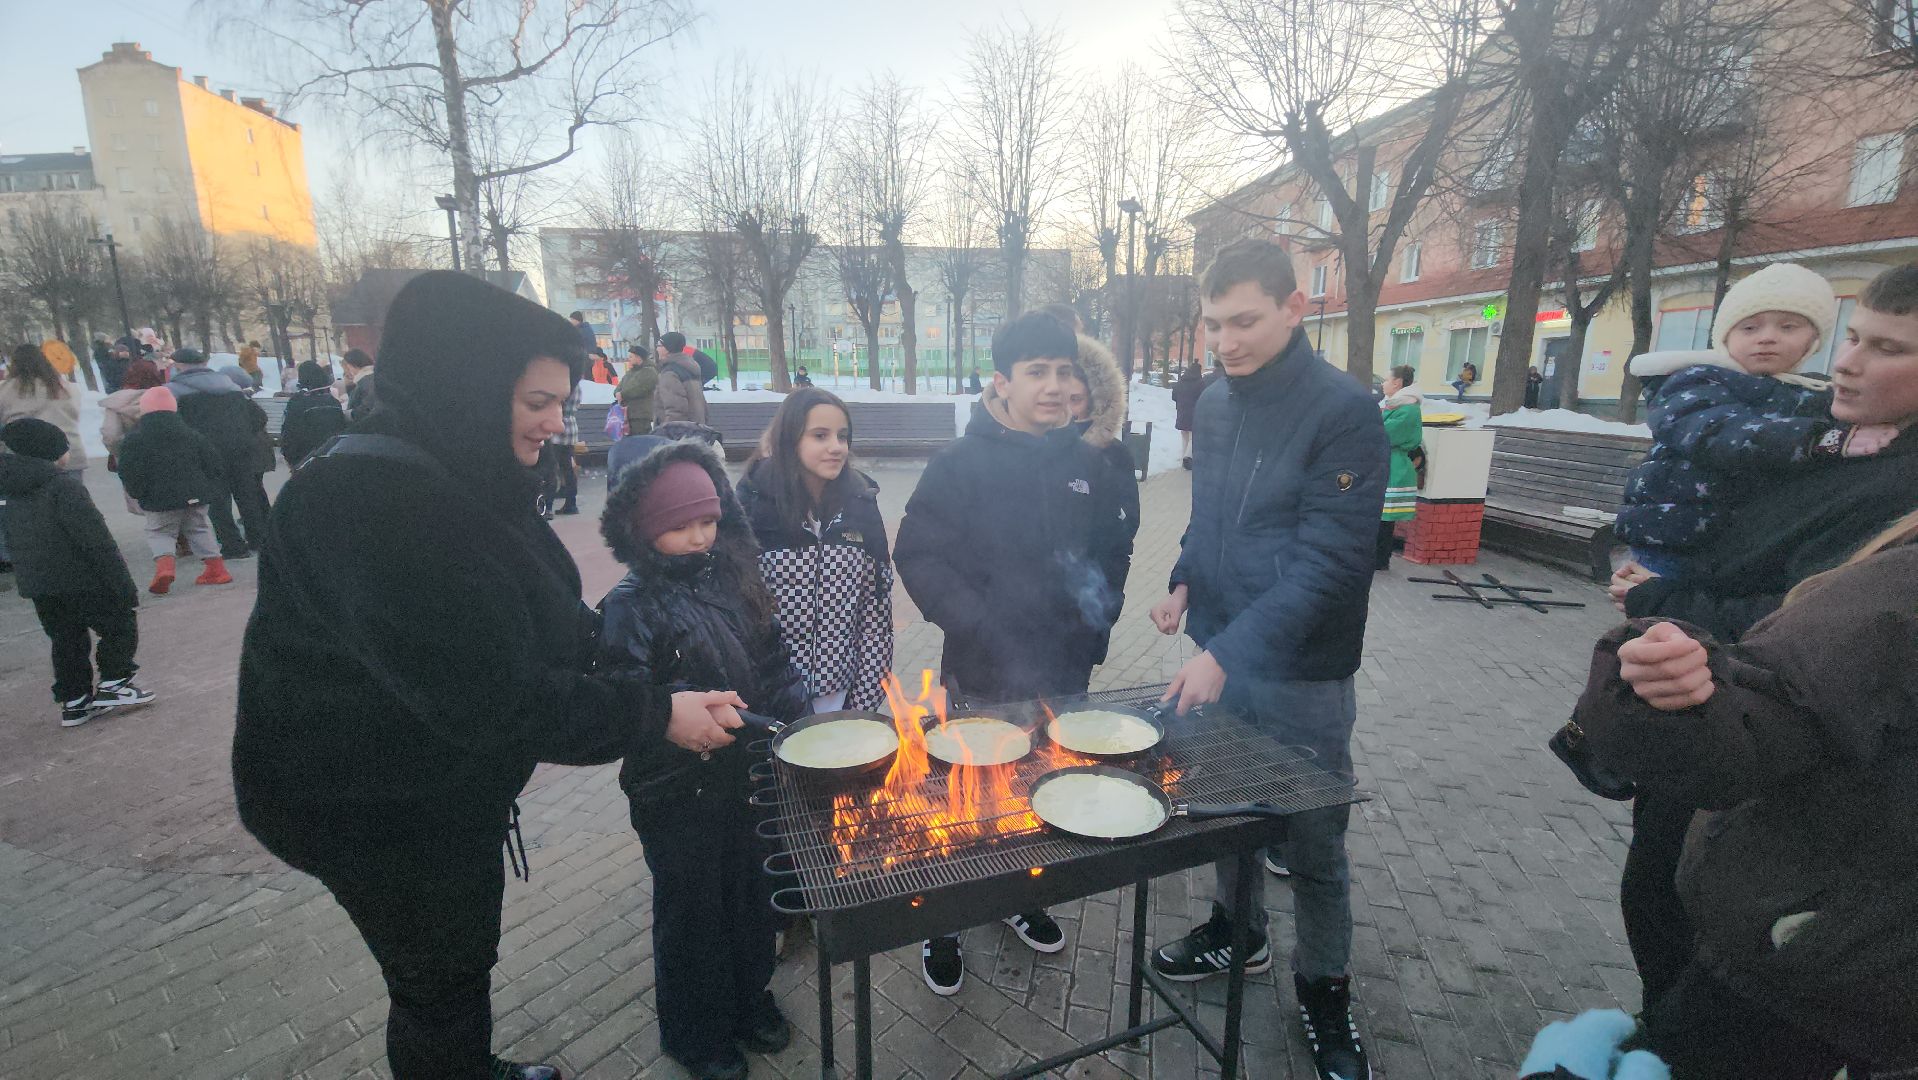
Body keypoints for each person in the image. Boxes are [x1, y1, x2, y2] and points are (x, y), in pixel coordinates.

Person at [232, 270, 746, 1080]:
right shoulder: (376, 504)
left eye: (562, 398)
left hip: (433, 781)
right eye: (537, 400)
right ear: (466, 383)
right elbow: (495, 698)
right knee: (438, 978)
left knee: (457, 964)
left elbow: (534, 608)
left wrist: (642, 664)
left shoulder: (456, 469)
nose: (557, 421)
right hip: (367, 805)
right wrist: (656, 718)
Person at [1605, 261, 1918, 1012]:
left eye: (1889, 348)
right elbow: (1704, 516)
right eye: (1854, 338)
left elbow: (1797, 632)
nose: (1846, 361)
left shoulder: (1896, 491)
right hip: (1709, 733)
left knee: (1696, 945)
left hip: (1779, 791)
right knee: (1659, 904)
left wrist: (1655, 591)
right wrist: (1626, 556)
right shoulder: (1823, 438)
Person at [1146, 239, 1386, 1080]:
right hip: (1218, 646)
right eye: (1213, 324)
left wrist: (1228, 651)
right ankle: (1235, 933)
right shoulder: (1213, 401)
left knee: (1314, 844)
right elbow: (1208, 514)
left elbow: (1331, 562)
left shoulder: (1345, 411)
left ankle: (1325, 990)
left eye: (1243, 321)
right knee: (1224, 814)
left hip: (1303, 673)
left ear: (1294, 307)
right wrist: (1181, 579)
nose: (1227, 341)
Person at [1573, 509, 1918, 1079]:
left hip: (1826, 974)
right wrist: (1670, 678)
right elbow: (1761, 716)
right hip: (1812, 971)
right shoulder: (1891, 580)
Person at [894, 312, 1134, 996]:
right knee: (967, 801)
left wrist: (1101, 612)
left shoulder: (1082, 462)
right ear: (1002, 382)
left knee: (1036, 793)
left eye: (1064, 371)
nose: (1055, 386)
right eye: (1037, 372)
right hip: (986, 671)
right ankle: (943, 919)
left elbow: (1111, 550)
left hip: (1063, 673)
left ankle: (1017, 897)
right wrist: (978, 622)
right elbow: (918, 554)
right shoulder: (959, 464)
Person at [598, 440, 808, 1080]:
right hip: (677, 793)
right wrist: (678, 719)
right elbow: (625, 700)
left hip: (747, 779)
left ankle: (749, 1000)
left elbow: (772, 658)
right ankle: (696, 1035)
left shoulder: (736, 578)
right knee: (693, 918)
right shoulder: (630, 605)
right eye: (679, 526)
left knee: (751, 900)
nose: (698, 537)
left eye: (708, 521)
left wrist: (799, 709)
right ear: (644, 530)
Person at [1615, 264, 1894, 580]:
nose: (1767, 338)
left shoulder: (1817, 394)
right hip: (1673, 537)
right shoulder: (1696, 379)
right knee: (1658, 624)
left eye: (1788, 327)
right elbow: (1717, 432)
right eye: (1750, 328)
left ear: (1813, 340)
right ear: (1726, 335)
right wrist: (1820, 440)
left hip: (1742, 544)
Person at [736, 388, 894, 713]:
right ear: (790, 439)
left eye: (843, 436)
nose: (836, 447)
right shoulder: (752, 506)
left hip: (841, 698)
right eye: (820, 436)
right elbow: (736, 618)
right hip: (767, 705)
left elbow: (875, 613)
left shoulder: (861, 506)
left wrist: (861, 706)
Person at [0, 418, 153, 728]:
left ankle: (74, 700)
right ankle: (115, 680)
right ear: (53, 453)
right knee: (119, 623)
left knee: (65, 638)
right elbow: (94, 538)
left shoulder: (11, 491)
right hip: (83, 576)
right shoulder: (63, 486)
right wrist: (120, 581)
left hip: (40, 584)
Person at [1060, 335, 1142, 668]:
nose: (1066, 410)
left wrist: (1101, 611)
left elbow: (1119, 541)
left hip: (1081, 618)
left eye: (1075, 400)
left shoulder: (1111, 456)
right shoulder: (1026, 451)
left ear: (1093, 402)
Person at [116, 386, 232, 593]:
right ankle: (217, 569)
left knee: (160, 532)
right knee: (199, 528)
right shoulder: (191, 434)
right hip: (196, 493)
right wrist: (208, 485)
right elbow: (213, 462)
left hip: (158, 498)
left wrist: (137, 491)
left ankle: (165, 568)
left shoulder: (135, 439)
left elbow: (129, 470)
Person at [169, 347, 270, 557]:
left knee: (218, 501)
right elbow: (258, 417)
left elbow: (176, 427)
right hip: (240, 448)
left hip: (206, 452)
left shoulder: (174, 391)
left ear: (179, 365)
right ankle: (258, 539)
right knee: (247, 495)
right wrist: (244, 434)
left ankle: (233, 545)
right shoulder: (230, 387)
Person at [1, 343, 91, 474]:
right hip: (69, 454)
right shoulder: (66, 388)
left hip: (25, 459)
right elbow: (74, 415)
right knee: (71, 492)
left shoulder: (5, 390)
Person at [1378, 364, 1423, 571]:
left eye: (1387, 380)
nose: (1383, 383)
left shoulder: (1407, 409)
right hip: (1386, 464)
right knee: (1380, 516)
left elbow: (1384, 432)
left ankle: (1380, 560)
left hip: (1394, 466)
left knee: (1385, 519)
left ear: (1397, 383)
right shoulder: (1394, 405)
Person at [280, 361, 350, 468]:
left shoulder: (298, 401)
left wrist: (290, 457)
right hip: (332, 455)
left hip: (305, 458)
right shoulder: (333, 401)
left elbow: (290, 430)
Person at [654, 332, 709, 425]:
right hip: (694, 428)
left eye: (659, 345)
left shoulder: (670, 373)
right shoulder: (688, 367)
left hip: (677, 433)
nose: (657, 349)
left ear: (667, 348)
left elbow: (676, 410)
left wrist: (668, 431)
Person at [617, 344, 658, 437]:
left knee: (639, 442)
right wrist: (617, 393)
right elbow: (619, 387)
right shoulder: (630, 372)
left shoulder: (649, 372)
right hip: (627, 415)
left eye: (631, 357)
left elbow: (639, 389)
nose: (629, 359)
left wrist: (622, 394)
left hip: (640, 416)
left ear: (639, 358)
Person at [1172, 358, 1206, 469]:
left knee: (1184, 435)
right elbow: (1203, 398)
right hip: (1194, 413)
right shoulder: (1200, 383)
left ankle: (1183, 458)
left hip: (1181, 412)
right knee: (1193, 436)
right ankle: (1187, 456)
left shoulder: (1180, 382)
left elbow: (1174, 397)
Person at [342, 348, 378, 421]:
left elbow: (366, 408)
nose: (349, 371)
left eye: (349, 367)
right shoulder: (374, 375)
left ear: (354, 365)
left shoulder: (365, 381)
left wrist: (348, 415)